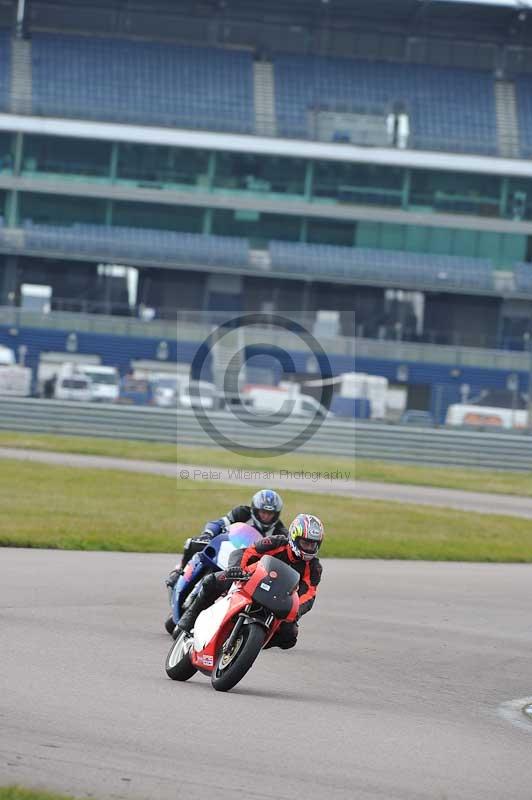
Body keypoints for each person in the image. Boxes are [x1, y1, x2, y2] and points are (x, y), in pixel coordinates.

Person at [176, 513, 324, 651]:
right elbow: (246, 552)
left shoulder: (314, 567)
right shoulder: (276, 542)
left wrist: (295, 611)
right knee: (211, 581)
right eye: (305, 543)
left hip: (279, 599)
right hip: (249, 579)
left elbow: (309, 593)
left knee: (289, 635)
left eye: (313, 545)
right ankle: (189, 620)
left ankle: (249, 643)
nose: (309, 548)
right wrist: (236, 570)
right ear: (294, 537)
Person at [165, 489, 286, 589]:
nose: (266, 516)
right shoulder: (242, 513)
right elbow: (218, 523)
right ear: (255, 509)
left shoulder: (280, 532)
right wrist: (207, 534)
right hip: (228, 548)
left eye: (270, 514)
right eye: (263, 512)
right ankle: (179, 572)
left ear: (276, 514)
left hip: (248, 564)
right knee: (193, 544)